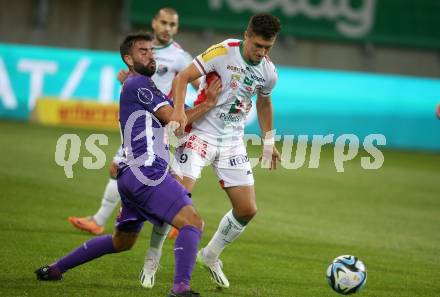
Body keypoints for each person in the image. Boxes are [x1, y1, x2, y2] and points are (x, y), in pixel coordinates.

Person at [35, 31, 221, 297]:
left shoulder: (142, 86)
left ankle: (55, 269)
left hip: (131, 176)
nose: (150, 55)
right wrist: (209, 104)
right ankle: (180, 288)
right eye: (143, 51)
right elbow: (176, 121)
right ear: (128, 59)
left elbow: (178, 116)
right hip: (146, 173)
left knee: (121, 241)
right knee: (193, 223)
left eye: (152, 51)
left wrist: (203, 106)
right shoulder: (139, 85)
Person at [68, 7, 200, 289]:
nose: (166, 28)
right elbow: (172, 117)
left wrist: (196, 103)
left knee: (125, 236)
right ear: (154, 23)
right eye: (163, 22)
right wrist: (187, 108)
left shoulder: (175, 59)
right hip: (150, 147)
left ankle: (59, 266)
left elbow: (193, 89)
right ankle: (178, 285)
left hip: (152, 139)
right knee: (189, 217)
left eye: (172, 24)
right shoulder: (140, 76)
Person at [168, 13, 282, 288]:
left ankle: (210, 254)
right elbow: (183, 77)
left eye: (268, 47)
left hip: (232, 141)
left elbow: (264, 103)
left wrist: (269, 141)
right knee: (175, 202)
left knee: (247, 209)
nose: (261, 52)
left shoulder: (268, 71)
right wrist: (180, 112)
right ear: (246, 35)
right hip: (201, 135)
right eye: (258, 45)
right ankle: (152, 259)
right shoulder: (222, 52)